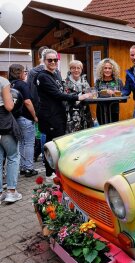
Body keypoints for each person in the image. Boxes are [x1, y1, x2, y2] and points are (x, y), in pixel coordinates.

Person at [36, 49, 92, 182]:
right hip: (51, 117)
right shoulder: (43, 76)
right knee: (54, 145)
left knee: (57, 144)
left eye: (55, 60)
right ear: (44, 61)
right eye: (50, 60)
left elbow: (61, 92)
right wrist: (79, 96)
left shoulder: (55, 74)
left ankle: (56, 172)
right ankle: (51, 174)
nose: (53, 62)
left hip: (59, 115)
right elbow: (58, 95)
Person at [9, 64, 38, 177]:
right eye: (24, 71)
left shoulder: (10, 84)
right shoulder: (22, 84)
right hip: (25, 117)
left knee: (22, 143)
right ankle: (29, 168)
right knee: (29, 143)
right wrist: (35, 116)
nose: (25, 73)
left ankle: (22, 167)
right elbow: (27, 102)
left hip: (15, 118)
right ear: (19, 72)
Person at [0, 76, 22, 203]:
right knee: (13, 156)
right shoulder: (3, 81)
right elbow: (9, 106)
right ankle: (11, 192)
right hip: (4, 121)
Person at [64, 60, 93, 133]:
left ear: (81, 69)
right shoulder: (64, 82)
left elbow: (90, 94)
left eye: (78, 68)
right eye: (73, 68)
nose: (76, 70)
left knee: (85, 135)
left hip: (84, 112)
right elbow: (64, 97)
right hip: (70, 114)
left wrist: (89, 95)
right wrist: (81, 96)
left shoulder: (85, 81)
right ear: (70, 69)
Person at [94, 58, 123, 124]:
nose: (107, 70)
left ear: (113, 69)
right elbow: (94, 94)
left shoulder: (118, 81)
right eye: (105, 68)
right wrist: (103, 92)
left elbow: (123, 94)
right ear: (102, 69)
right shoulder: (98, 81)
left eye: (109, 68)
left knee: (113, 129)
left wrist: (115, 93)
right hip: (101, 109)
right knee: (102, 129)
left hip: (113, 109)